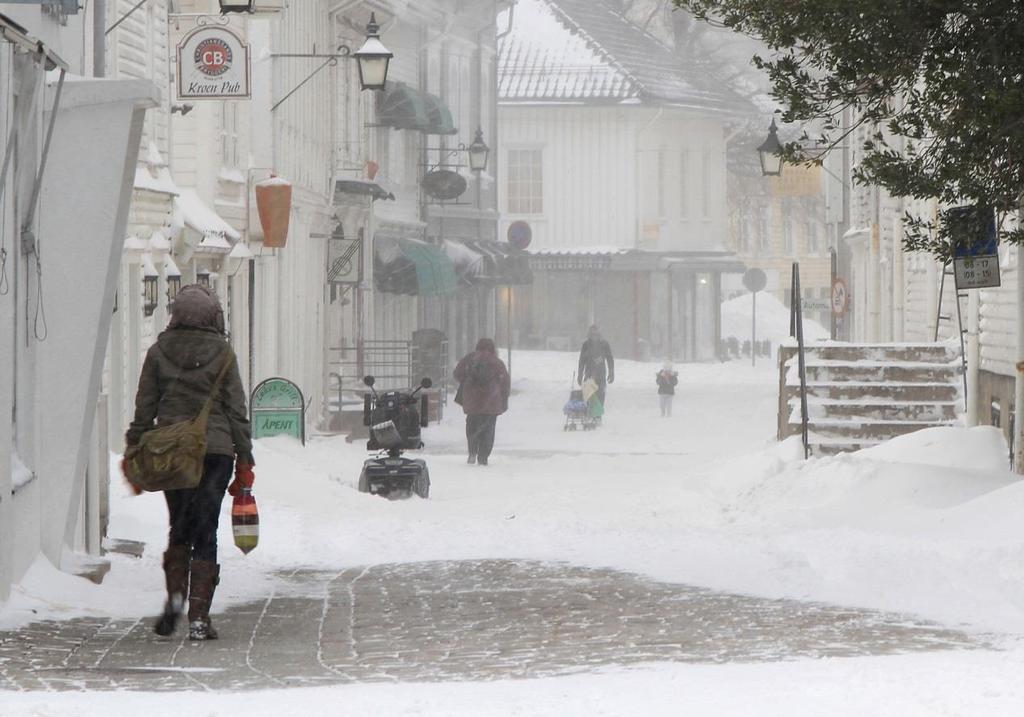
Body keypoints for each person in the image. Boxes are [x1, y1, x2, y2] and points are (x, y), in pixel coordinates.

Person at [125, 284, 254, 641]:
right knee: (206, 526)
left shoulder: (158, 351)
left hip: (173, 452)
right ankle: (200, 617)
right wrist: (245, 457)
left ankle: (176, 597)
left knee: (179, 525)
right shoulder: (223, 352)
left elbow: (144, 406)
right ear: (213, 316)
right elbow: (236, 410)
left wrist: (134, 446)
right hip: (215, 452)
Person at [453, 338, 510, 466]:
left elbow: (457, 374)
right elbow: (505, 382)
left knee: (472, 427)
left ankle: (472, 452)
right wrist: (504, 400)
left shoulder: (470, 358)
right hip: (491, 402)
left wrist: (467, 380)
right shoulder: (496, 362)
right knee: (488, 430)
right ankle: (483, 456)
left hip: (472, 402)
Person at [577, 325, 615, 408]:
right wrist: (580, 374)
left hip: (601, 375)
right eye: (592, 334)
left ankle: (597, 416)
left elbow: (610, 359)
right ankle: (588, 413)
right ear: (589, 335)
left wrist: (611, 372)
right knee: (587, 395)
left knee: (600, 395)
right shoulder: (586, 345)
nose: (594, 336)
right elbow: (581, 361)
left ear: (599, 334)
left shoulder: (604, 344)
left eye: (596, 334)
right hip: (588, 374)